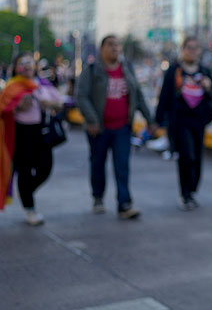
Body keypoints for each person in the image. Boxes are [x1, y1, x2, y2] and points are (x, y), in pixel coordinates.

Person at [75, 34, 157, 219]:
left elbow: (138, 95)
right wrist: (92, 120)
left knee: (122, 166)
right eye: (110, 45)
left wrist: (149, 120)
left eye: (117, 45)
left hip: (122, 128)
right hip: (99, 129)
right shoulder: (92, 69)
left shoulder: (127, 68)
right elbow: (81, 96)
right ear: (102, 49)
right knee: (98, 164)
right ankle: (98, 197)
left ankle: (124, 204)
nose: (115, 48)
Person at [0, 52, 65, 225]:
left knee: (45, 168)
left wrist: (49, 104)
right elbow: (3, 109)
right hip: (20, 134)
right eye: (23, 63)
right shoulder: (11, 87)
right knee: (25, 171)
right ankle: (30, 208)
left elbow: (60, 103)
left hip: (41, 133)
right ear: (16, 68)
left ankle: (26, 192)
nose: (27, 65)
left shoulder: (42, 84)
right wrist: (17, 107)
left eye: (30, 62)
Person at [155, 36, 212, 210]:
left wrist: (208, 87)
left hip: (199, 121)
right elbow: (164, 96)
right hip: (180, 122)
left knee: (197, 158)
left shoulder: (205, 71)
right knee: (187, 156)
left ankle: (192, 191)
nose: (192, 51)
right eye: (188, 47)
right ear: (183, 50)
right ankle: (185, 194)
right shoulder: (174, 71)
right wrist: (157, 120)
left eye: (195, 48)